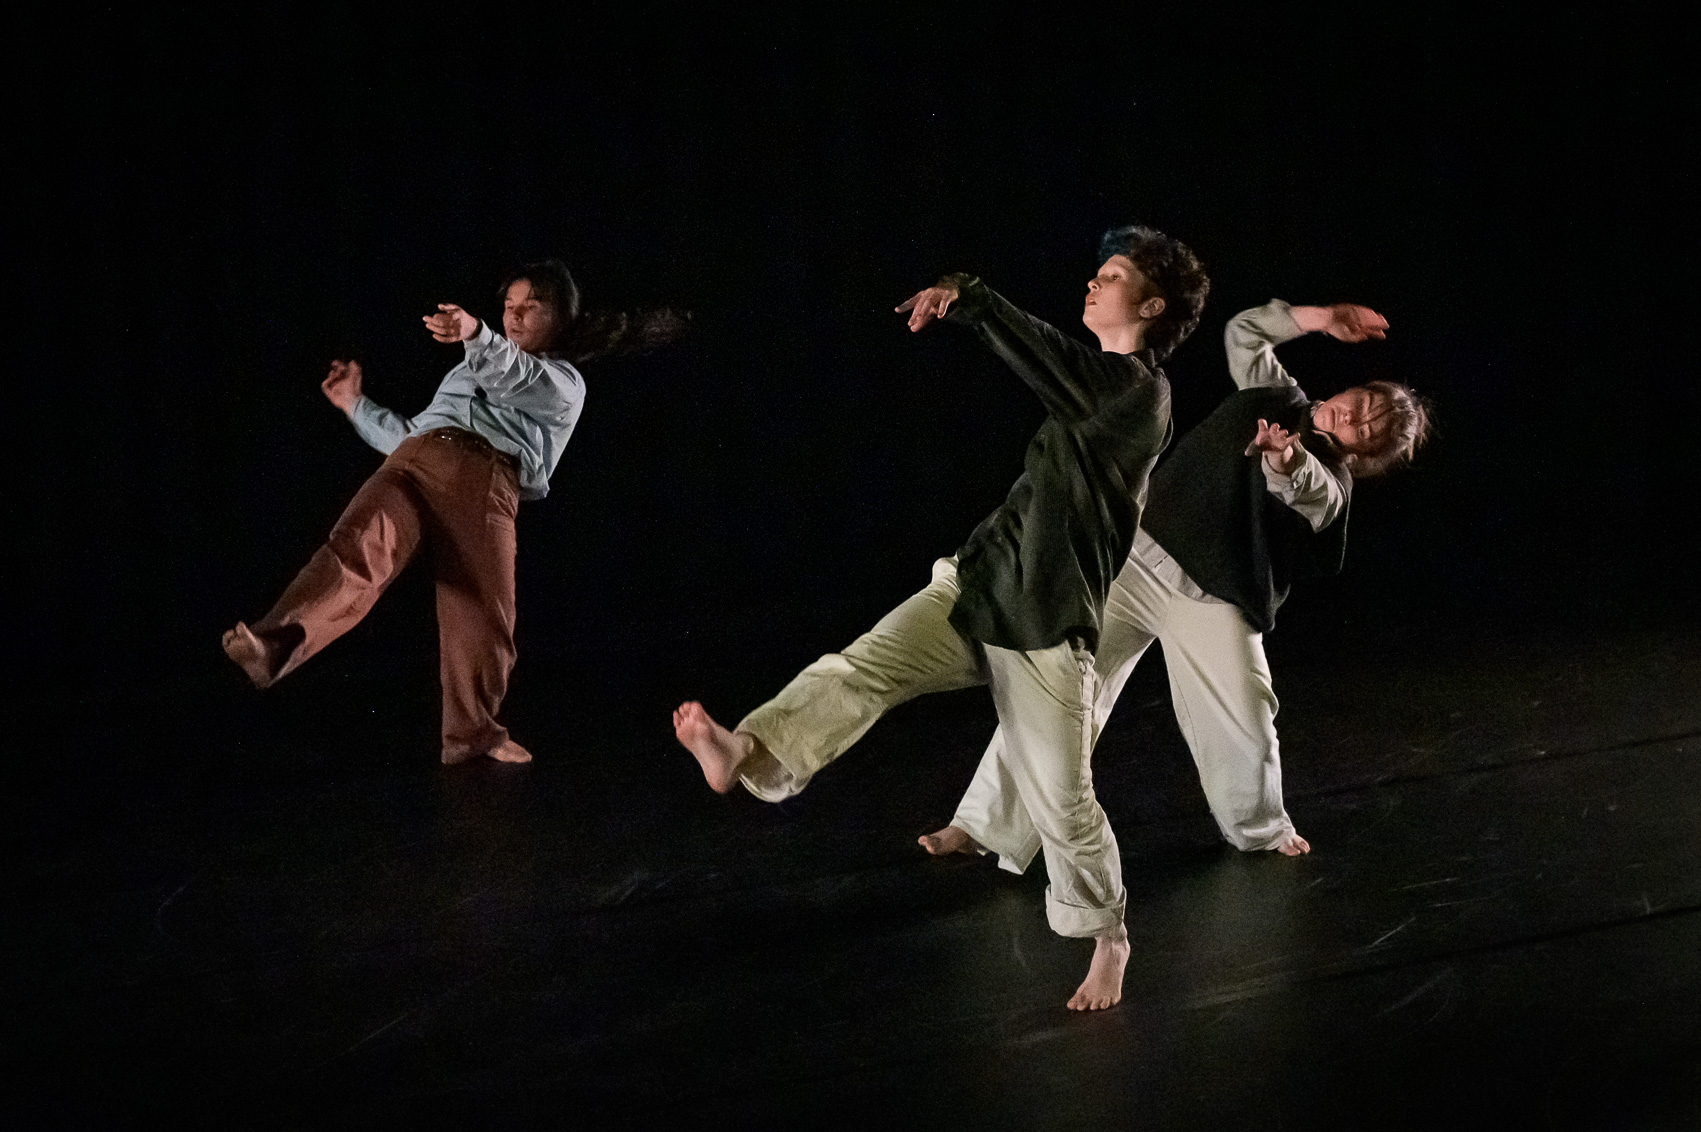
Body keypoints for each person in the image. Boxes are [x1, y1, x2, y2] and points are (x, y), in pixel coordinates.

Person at [674, 226, 1210, 1011]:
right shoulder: (1093, 385)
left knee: (1061, 795)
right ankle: (747, 749)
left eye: (1113, 275)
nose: (1093, 283)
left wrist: (974, 299)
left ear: (1152, 304)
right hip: (978, 583)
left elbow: (1051, 361)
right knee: (858, 667)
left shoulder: (1138, 392)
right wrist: (968, 297)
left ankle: (1109, 936)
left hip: (1046, 620)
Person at [920, 298, 1431, 873]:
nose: (1352, 421)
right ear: (1351, 390)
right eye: (1360, 406)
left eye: (1366, 432)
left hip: (1215, 601)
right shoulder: (1276, 394)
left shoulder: (1333, 485)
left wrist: (1284, 460)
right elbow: (1244, 333)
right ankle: (983, 825)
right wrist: (1321, 317)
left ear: (1365, 454)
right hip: (1136, 561)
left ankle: (1261, 828)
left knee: (1244, 712)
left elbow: (1305, 488)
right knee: (1058, 692)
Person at [223, 259, 684, 765]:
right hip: (414, 460)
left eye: (531, 306)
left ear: (562, 319)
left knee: (482, 612)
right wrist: (356, 404)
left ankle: (472, 736)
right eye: (509, 306)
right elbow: (410, 431)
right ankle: (273, 646)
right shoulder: (470, 365)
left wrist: (475, 332)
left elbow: (513, 373)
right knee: (354, 552)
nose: (515, 315)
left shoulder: (563, 384)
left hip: (481, 479)